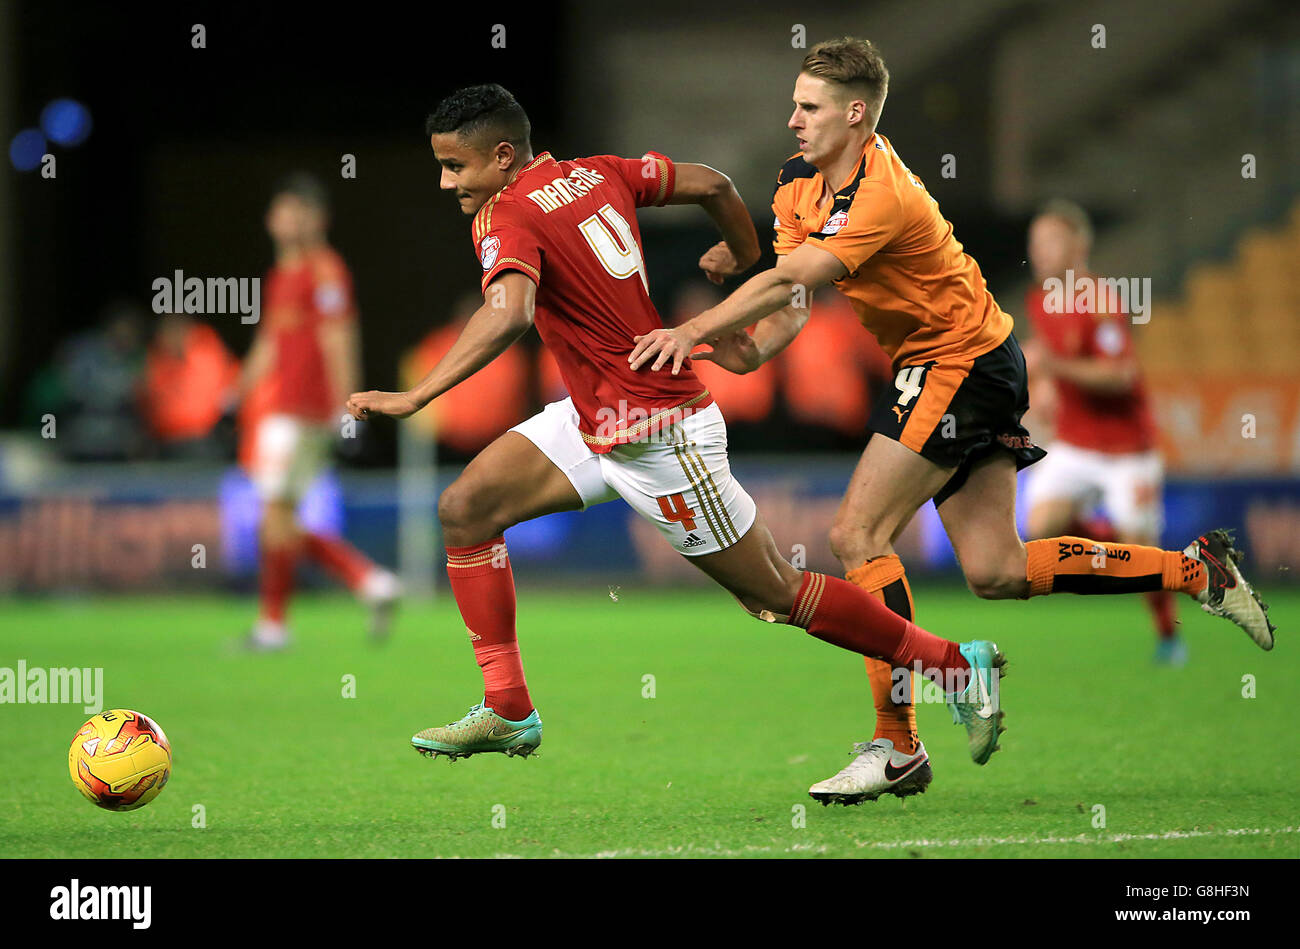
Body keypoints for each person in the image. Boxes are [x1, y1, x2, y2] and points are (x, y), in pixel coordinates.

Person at [628, 36, 1275, 805]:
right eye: (795, 104)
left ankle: (897, 743)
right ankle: (1197, 569)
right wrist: (750, 353)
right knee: (998, 569)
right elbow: (795, 300)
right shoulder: (798, 188)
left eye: (809, 107)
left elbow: (797, 272)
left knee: (856, 534)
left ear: (856, 114)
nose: (793, 120)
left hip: (959, 360)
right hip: (960, 363)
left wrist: (693, 329)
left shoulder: (883, 191)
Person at [346, 83, 1007, 768]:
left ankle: (955, 664)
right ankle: (509, 708)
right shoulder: (599, 172)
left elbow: (509, 312)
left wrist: (416, 394)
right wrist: (739, 252)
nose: (447, 181)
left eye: (456, 166)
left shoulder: (502, 215)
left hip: (660, 431)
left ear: (504, 156)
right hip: (596, 416)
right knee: (465, 508)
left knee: (776, 591)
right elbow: (714, 184)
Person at [237, 173, 401, 650]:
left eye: (297, 212)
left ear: (317, 219)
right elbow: (269, 341)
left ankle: (278, 624)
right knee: (279, 519)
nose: (288, 221)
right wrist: (238, 392)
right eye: (282, 211)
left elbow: (338, 338)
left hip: (302, 412)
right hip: (280, 411)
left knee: (275, 518)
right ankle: (369, 583)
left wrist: (345, 405)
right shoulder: (282, 274)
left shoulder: (325, 271)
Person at [1021, 200, 1186, 665]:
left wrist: (1052, 367)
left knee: (1143, 560)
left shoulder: (1100, 299)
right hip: (1074, 442)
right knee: (1039, 532)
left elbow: (1119, 376)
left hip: (1126, 449)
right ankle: (1107, 533)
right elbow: (1062, 366)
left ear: (1079, 245)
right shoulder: (1041, 300)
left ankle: (1168, 637)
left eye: (1050, 241)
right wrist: (1049, 387)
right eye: (1035, 243)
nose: (1039, 252)